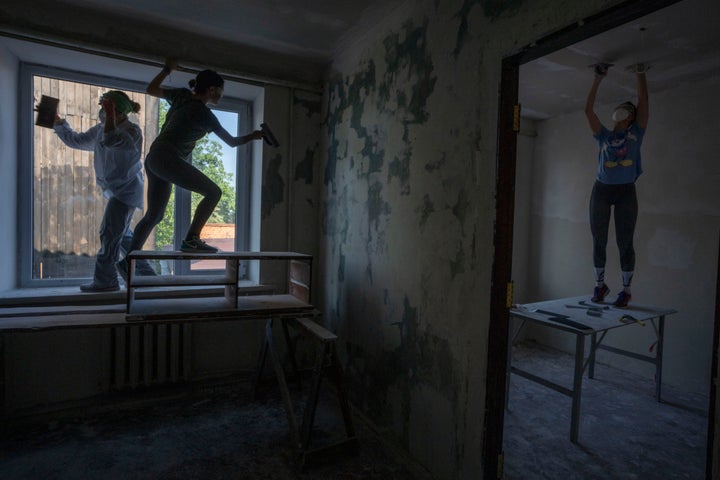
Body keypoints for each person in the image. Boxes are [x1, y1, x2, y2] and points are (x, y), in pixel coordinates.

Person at [117, 59, 263, 279]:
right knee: (214, 192)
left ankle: (127, 261)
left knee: (154, 215)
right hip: (166, 157)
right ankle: (192, 239)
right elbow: (232, 142)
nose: (221, 96)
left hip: (154, 158)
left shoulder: (181, 96)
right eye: (221, 91)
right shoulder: (204, 113)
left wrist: (167, 69)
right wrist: (254, 136)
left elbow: (151, 89)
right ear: (212, 89)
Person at [53, 90, 156, 292]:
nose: (101, 112)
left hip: (126, 192)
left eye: (106, 108)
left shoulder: (133, 132)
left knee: (108, 234)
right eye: (102, 108)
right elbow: (77, 140)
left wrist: (109, 116)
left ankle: (106, 282)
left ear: (119, 112)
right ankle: (147, 276)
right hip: (116, 191)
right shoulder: (101, 129)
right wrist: (57, 121)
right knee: (124, 237)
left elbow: (112, 140)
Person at [584, 63, 649, 308]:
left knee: (625, 240)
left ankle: (626, 290)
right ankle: (600, 285)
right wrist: (597, 79)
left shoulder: (636, 134)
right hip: (601, 189)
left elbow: (644, 104)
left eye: (627, 110)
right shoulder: (603, 135)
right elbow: (587, 110)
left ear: (631, 117)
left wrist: (640, 74)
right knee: (598, 239)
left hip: (625, 191)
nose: (623, 112)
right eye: (620, 109)